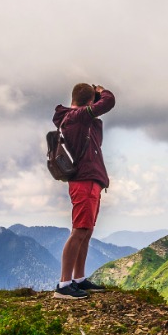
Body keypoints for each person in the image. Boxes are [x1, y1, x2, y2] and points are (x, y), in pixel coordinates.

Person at [52, 82, 115, 299]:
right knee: (79, 230)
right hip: (84, 180)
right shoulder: (77, 116)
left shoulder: (75, 118)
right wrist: (101, 92)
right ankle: (64, 285)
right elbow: (110, 101)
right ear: (89, 101)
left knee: (86, 231)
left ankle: (78, 279)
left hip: (89, 180)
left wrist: (93, 98)